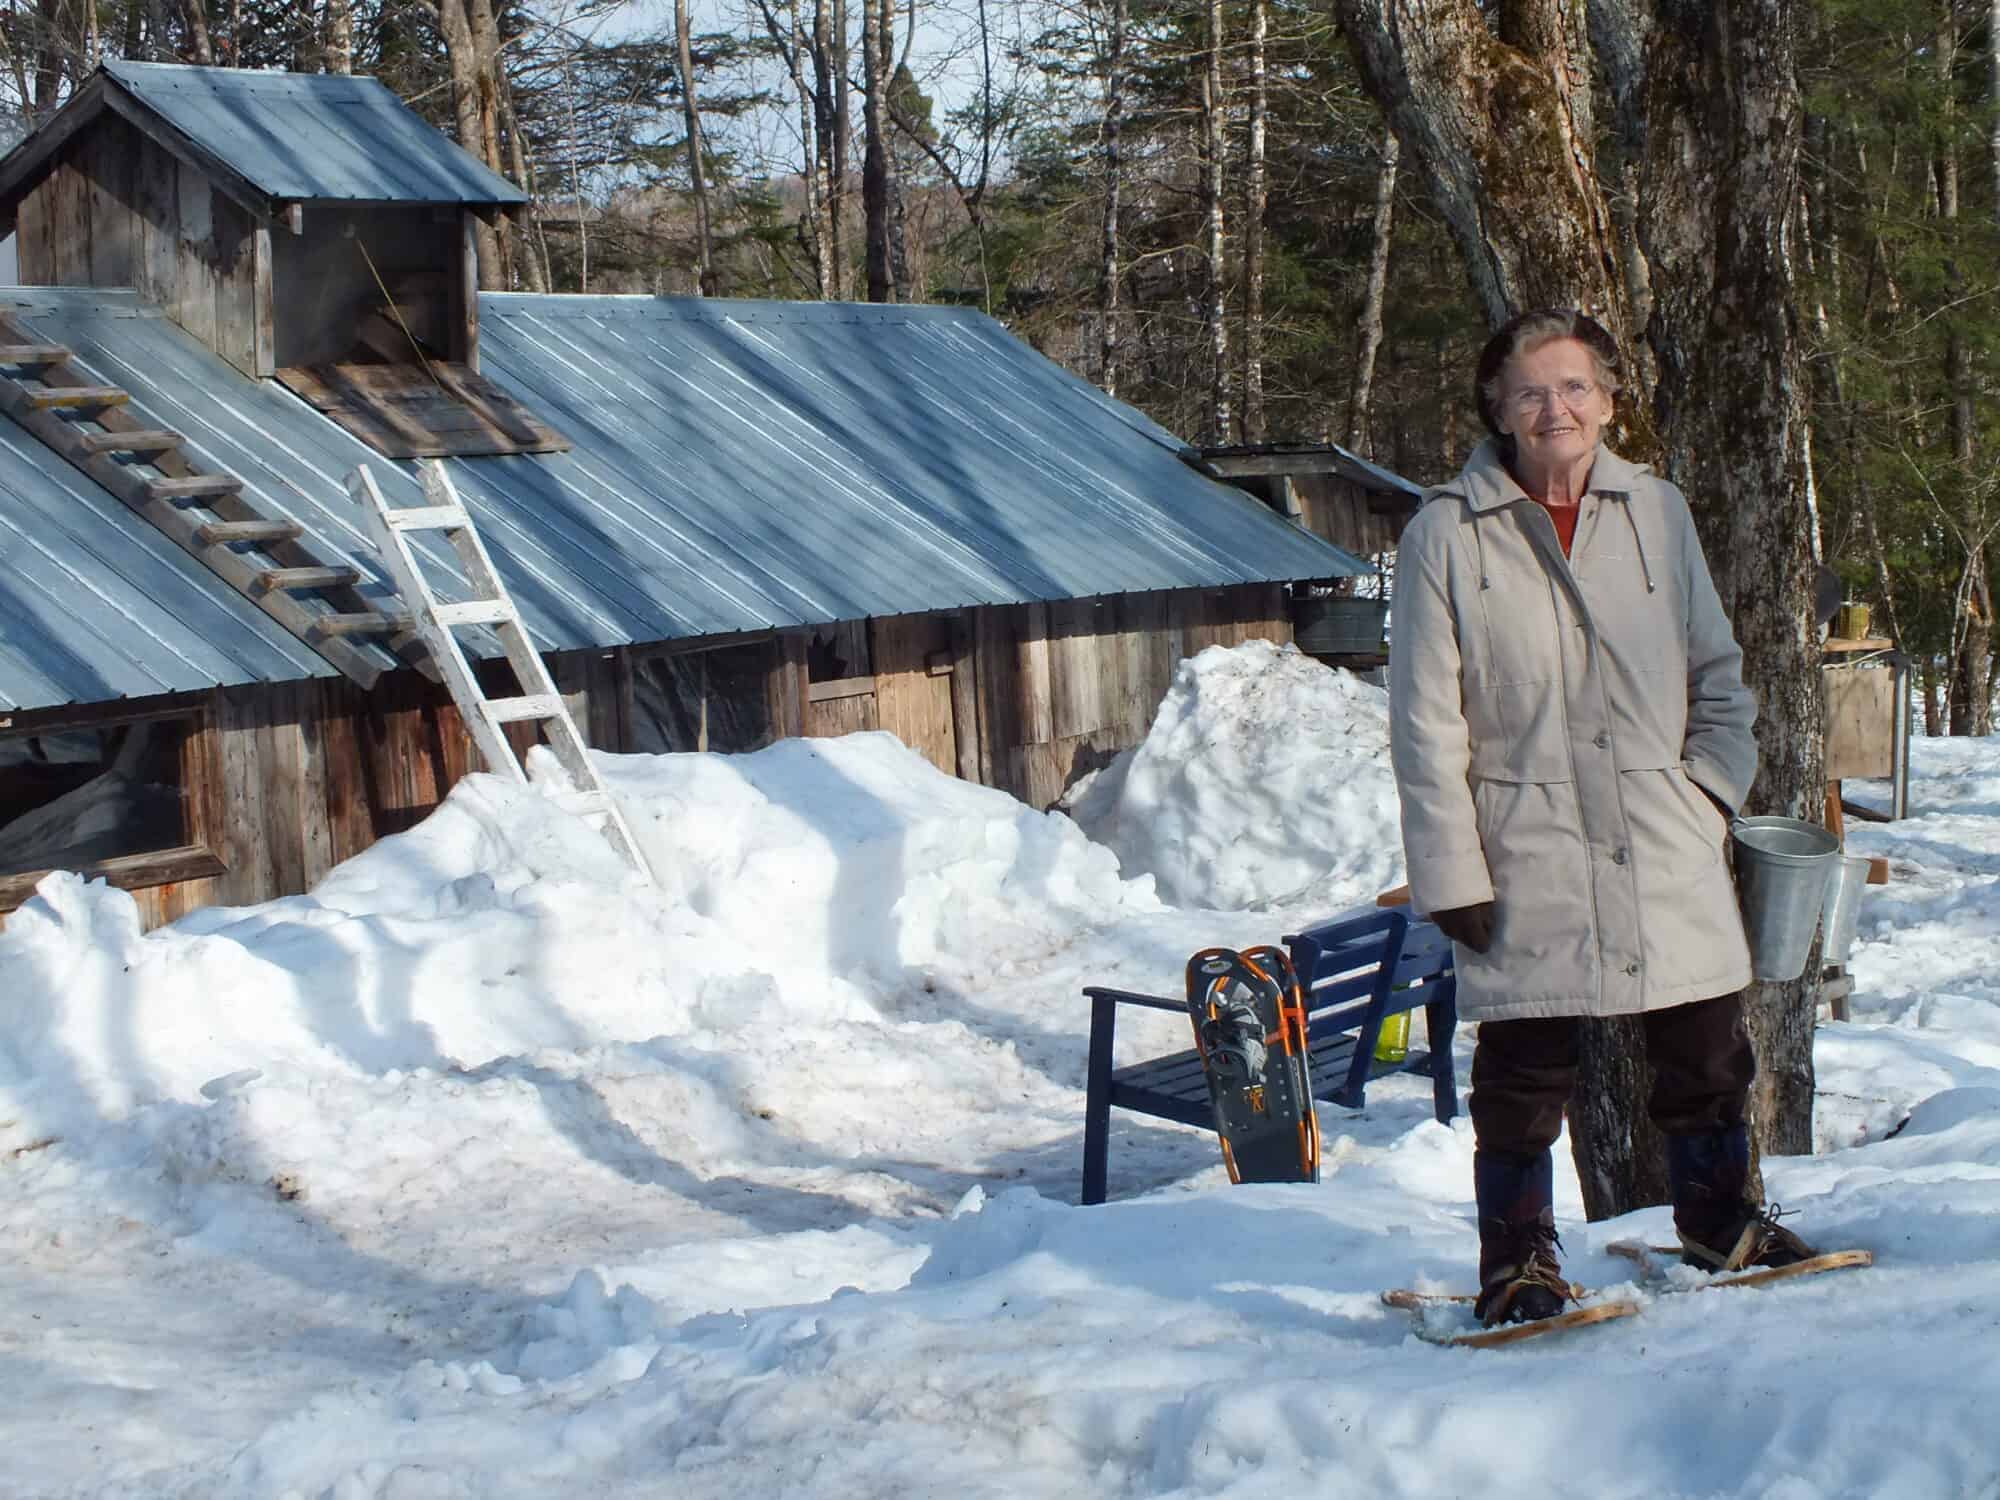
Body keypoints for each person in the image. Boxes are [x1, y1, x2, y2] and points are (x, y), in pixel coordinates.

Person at [1387, 308, 1818, 1327]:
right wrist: (1450, 871)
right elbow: (1422, 725)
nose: (1555, 408)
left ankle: (1719, 1220)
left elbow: (1718, 676)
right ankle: (1517, 1266)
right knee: (1523, 1076)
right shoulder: (1444, 532)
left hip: (1661, 833)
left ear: (1609, 401)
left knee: (1707, 1052)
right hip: (1523, 846)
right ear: (1494, 405)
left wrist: (1704, 792)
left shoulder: (1656, 512)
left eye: (1574, 386)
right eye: (1530, 390)